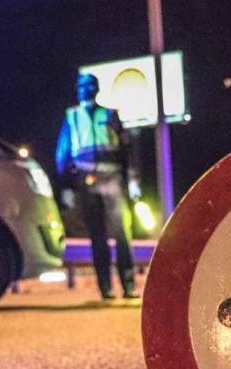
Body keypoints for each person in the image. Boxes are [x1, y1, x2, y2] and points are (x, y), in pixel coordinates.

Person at [55, 73, 140, 300]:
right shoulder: (71, 117)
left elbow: (127, 148)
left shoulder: (110, 115)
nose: (86, 89)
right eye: (83, 86)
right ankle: (106, 288)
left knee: (122, 234)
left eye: (90, 86)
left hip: (113, 182)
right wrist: (66, 187)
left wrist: (132, 180)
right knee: (97, 237)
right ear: (77, 90)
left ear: (97, 89)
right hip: (86, 184)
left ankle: (129, 285)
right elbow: (63, 154)